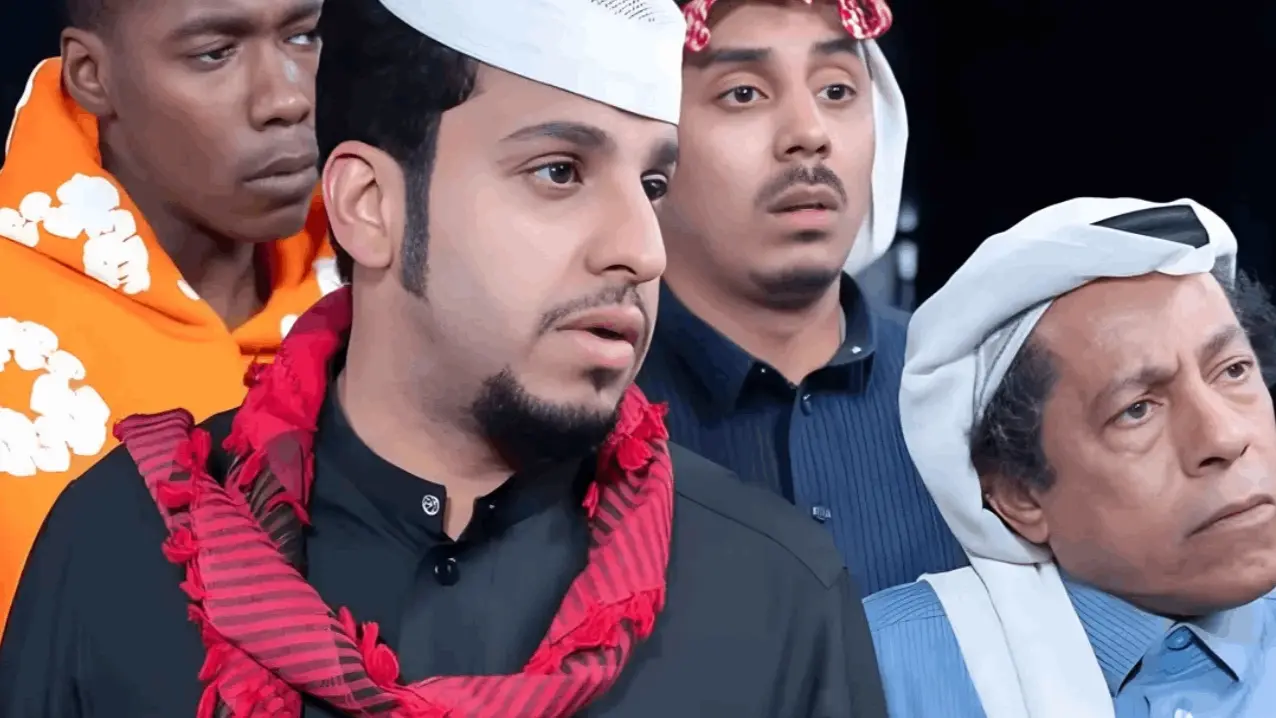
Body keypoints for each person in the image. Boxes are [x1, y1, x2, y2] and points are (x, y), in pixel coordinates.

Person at [0, 1, 891, 716]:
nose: (640, 249)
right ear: (370, 206)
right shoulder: (124, 551)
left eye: (652, 185)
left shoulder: (774, 594)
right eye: (558, 172)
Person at [0, 0, 341, 634]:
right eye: (216, 52)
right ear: (91, 75)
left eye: (302, 36)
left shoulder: (390, 276)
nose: (288, 99)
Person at [864, 197, 1276, 717]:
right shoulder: (880, 671)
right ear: (1018, 493)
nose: (1225, 437)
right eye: (1137, 409)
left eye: (1233, 371)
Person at [637, 0, 964, 596]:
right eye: (743, 94)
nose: (809, 135)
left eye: (837, 91)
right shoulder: (580, 411)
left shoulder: (965, 390)